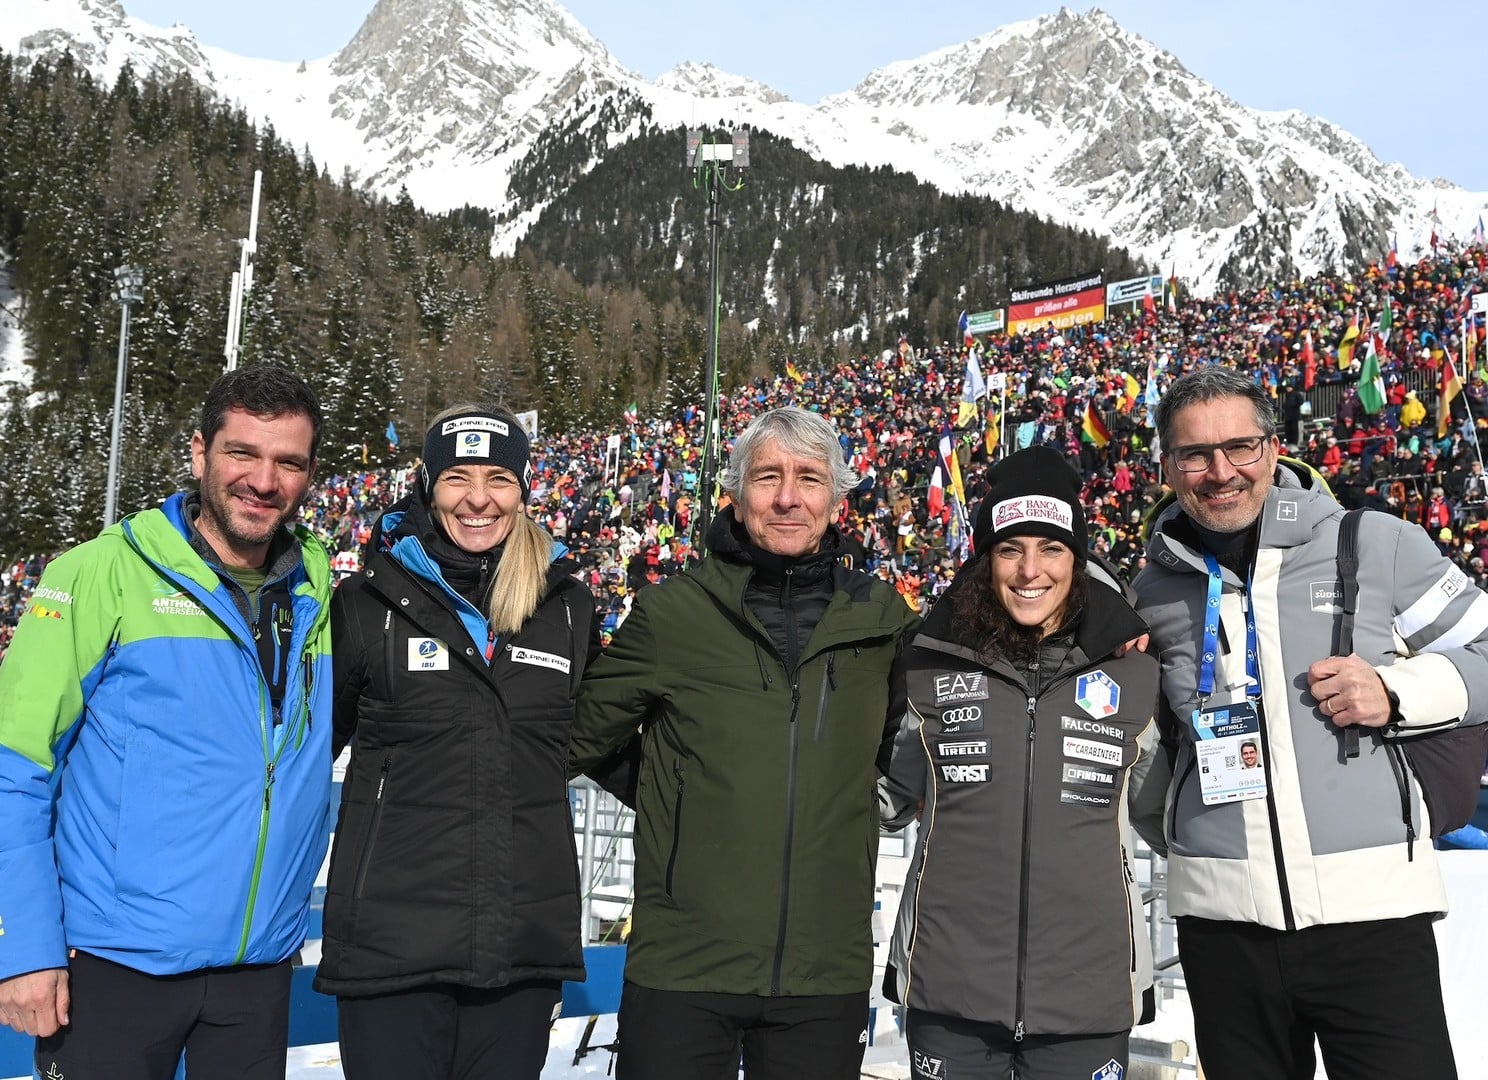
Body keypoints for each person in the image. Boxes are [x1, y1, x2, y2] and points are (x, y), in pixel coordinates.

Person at [1133, 365, 1488, 1080]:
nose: (1220, 472)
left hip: (1373, 915)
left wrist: (1395, 690)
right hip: (1222, 924)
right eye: (1194, 454)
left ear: (1274, 447)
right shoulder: (1153, 589)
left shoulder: (1371, 543)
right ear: (1168, 466)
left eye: (1241, 446)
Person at [0, 366, 333, 1079]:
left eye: (288, 462)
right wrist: (25, 947)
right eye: (242, 452)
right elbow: (15, 766)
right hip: (114, 964)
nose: (263, 480)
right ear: (198, 454)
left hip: (258, 966)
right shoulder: (100, 574)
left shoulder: (317, 590)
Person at [568, 406, 920, 1080]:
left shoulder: (883, 621)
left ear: (836, 498)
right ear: (735, 492)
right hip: (684, 966)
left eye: (809, 479)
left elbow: (902, 749)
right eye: (768, 477)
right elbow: (579, 737)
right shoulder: (674, 612)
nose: (789, 497)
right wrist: (675, 794)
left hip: (822, 973)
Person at [315, 404, 600, 1080]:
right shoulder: (365, 605)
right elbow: (300, 756)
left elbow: (608, 744)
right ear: (427, 483)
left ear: (525, 489)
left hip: (518, 950)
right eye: (458, 478)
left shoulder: (567, 608)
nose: (479, 499)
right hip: (390, 950)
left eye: (499, 477)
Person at [880, 445, 1164, 1080]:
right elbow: (882, 795)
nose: (1030, 570)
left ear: (1078, 560)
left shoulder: (1135, 673)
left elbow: (1170, 815)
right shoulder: (930, 664)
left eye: (1052, 548)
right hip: (949, 993)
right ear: (986, 560)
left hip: (1087, 999)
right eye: (1011, 549)